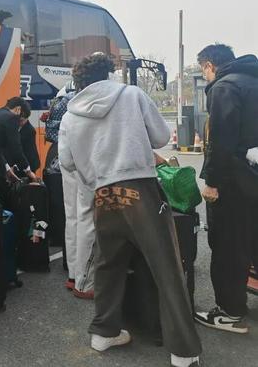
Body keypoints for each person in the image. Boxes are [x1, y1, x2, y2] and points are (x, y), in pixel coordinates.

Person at [59, 53, 201, 367]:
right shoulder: (131, 95)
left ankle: (104, 332)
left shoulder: (70, 115)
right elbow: (161, 137)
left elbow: (67, 162)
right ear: (108, 74)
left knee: (108, 264)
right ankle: (183, 350)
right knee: (166, 265)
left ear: (79, 82)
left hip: (102, 194)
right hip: (139, 188)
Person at [193, 44, 258, 334]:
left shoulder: (224, 87)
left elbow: (221, 141)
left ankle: (230, 313)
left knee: (229, 247)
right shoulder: (253, 82)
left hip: (235, 183)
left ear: (209, 65)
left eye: (203, 70)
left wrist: (212, 182)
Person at [49, 84, 96, 300]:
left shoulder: (66, 107)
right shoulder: (95, 106)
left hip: (69, 168)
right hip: (88, 170)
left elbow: (64, 157)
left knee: (72, 219)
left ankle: (73, 274)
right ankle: (85, 280)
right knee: (87, 221)